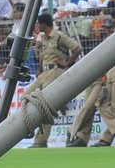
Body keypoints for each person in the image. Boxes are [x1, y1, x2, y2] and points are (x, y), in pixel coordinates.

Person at [27, 13, 79, 147]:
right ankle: (60, 104)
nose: (37, 26)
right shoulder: (43, 38)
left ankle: (40, 141)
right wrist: (39, 71)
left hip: (55, 71)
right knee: (25, 97)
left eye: (38, 23)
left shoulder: (59, 36)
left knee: (45, 104)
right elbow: (42, 57)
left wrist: (66, 63)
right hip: (44, 73)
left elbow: (77, 48)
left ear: (43, 24)